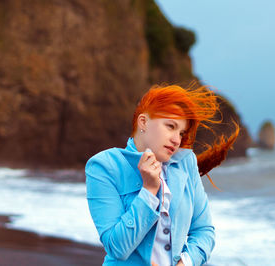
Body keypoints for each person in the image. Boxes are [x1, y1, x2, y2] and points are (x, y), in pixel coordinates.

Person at [85, 84, 239, 266]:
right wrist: (149, 190)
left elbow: (204, 230)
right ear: (143, 122)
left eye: (181, 133)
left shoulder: (185, 161)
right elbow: (117, 248)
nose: (177, 139)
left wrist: (186, 262)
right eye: (170, 126)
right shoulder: (104, 166)